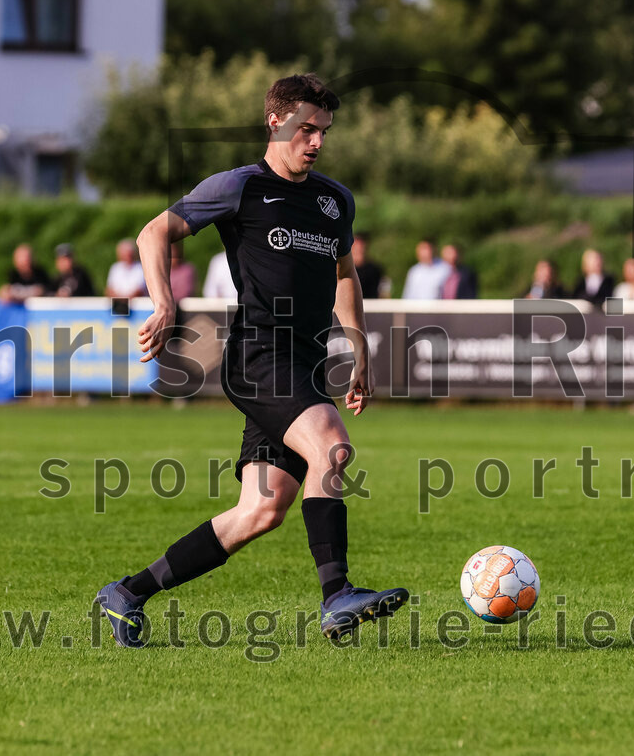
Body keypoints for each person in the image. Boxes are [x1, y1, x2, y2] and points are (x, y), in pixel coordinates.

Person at [95, 73, 408, 648]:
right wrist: (165, 302)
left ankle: (128, 594)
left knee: (260, 512)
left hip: (307, 363)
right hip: (259, 355)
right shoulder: (241, 186)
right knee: (333, 446)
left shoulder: (335, 200)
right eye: (306, 129)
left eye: (324, 132)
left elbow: (345, 274)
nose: (316, 142)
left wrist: (358, 346)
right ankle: (337, 596)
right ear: (276, 121)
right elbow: (152, 233)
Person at [351, 233, 385, 299]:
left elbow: (383, 292)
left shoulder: (375, 270)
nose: (359, 250)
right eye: (356, 248)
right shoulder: (342, 269)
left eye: (361, 247)